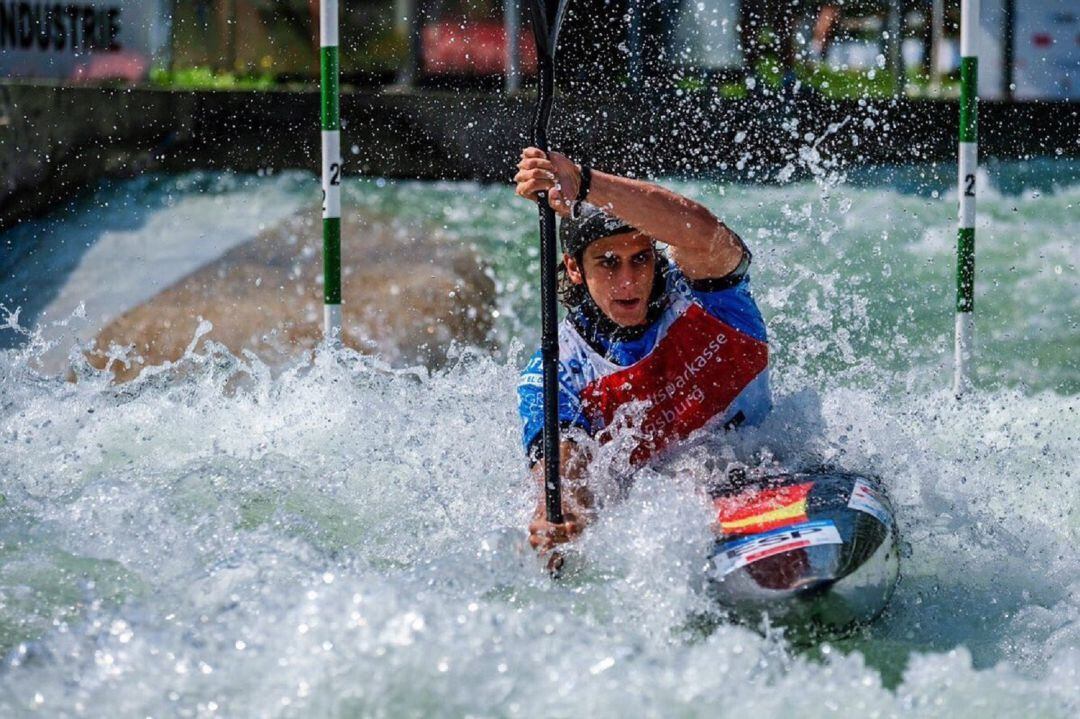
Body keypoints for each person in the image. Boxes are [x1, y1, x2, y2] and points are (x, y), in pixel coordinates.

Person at [513, 148, 773, 556]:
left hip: (772, 470)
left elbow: (706, 235)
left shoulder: (708, 300)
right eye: (609, 263)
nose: (629, 281)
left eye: (640, 259)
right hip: (669, 518)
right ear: (575, 269)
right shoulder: (559, 368)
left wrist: (583, 183)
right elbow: (565, 464)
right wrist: (562, 513)